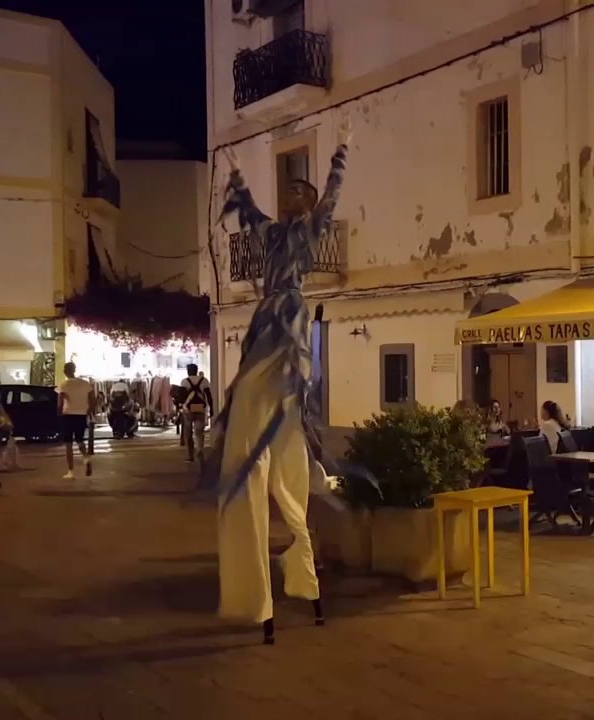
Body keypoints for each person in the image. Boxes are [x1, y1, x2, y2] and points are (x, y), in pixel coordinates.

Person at [211, 116, 351, 639]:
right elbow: (246, 212)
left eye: (300, 189)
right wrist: (235, 171)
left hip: (288, 312)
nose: (292, 192)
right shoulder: (269, 231)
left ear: (308, 202)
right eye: (288, 188)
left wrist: (341, 151)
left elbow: (334, 194)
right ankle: (248, 427)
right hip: (266, 315)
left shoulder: (312, 229)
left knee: (284, 380)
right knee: (251, 389)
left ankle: (285, 411)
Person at [57, 362, 95, 480]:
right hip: (81, 415)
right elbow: (93, 400)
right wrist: (88, 412)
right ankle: (86, 457)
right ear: (74, 370)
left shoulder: (64, 385)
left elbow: (60, 402)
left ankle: (71, 471)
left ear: (65, 371)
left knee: (68, 444)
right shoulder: (85, 384)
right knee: (80, 440)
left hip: (68, 415)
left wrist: (59, 414)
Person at [181, 364, 213, 463]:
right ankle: (200, 450)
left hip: (188, 410)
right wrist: (212, 409)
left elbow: (182, 397)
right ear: (196, 370)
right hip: (200, 409)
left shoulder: (185, 382)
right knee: (199, 432)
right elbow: (209, 396)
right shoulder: (204, 381)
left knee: (188, 433)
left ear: (188, 371)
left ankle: (190, 456)